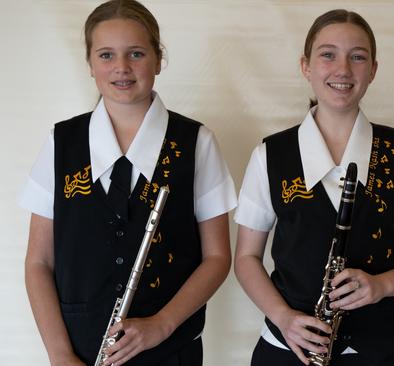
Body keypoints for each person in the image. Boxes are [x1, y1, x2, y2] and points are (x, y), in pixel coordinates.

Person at [19, 1, 236, 365]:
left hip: (171, 351)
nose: (121, 67)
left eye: (136, 53)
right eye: (106, 55)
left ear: (158, 59)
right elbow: (38, 261)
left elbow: (217, 257)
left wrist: (162, 324)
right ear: (89, 64)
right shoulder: (62, 142)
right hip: (80, 354)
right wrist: (59, 355)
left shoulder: (197, 142)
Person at [233, 9, 394, 366]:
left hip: (389, 350)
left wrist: (381, 286)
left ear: (373, 69)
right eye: (328, 54)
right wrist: (284, 319)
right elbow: (246, 258)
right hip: (291, 349)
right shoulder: (270, 155)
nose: (343, 69)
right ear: (306, 66)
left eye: (357, 57)